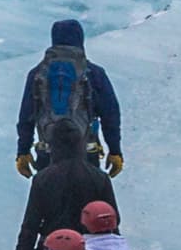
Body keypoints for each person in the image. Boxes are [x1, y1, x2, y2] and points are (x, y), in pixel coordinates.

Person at [9, 120, 117, 250]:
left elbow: (30, 228)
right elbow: (113, 222)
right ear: (81, 145)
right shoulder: (99, 178)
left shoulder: (42, 179)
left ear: (53, 147)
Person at [13, 19, 123, 175]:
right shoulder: (94, 73)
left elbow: (26, 117)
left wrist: (23, 152)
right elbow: (110, 115)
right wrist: (115, 151)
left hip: (48, 155)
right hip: (86, 155)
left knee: (47, 191)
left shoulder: (37, 74)